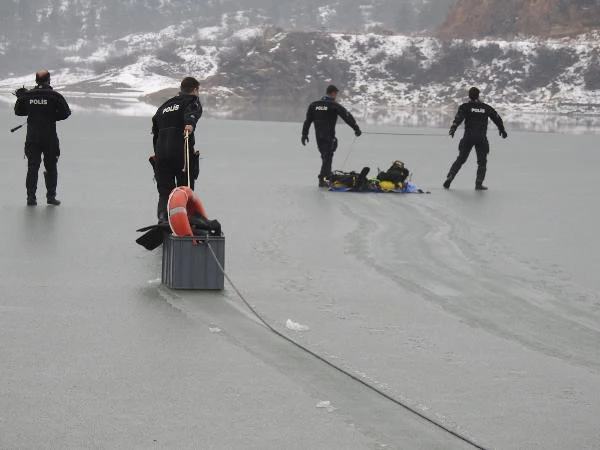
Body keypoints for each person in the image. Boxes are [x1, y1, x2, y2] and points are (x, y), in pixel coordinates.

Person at [14, 70, 71, 206]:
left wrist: (23, 100)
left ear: (36, 81)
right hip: (49, 137)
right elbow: (66, 113)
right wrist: (51, 116)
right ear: (49, 80)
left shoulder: (27, 96)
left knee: (32, 166)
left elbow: (18, 111)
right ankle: (51, 197)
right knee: (51, 166)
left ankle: (31, 198)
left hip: (32, 137)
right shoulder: (55, 96)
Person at [151, 77, 203, 222]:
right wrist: (190, 123)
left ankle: (163, 218)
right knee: (184, 188)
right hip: (180, 151)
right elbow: (192, 113)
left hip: (161, 152)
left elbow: (154, 128)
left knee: (165, 191)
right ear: (194, 90)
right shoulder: (191, 100)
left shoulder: (164, 106)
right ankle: (186, 221)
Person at [443, 87, 508, 190]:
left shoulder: (465, 107)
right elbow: (497, 118)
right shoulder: (486, 108)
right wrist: (502, 130)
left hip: (468, 137)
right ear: (478, 95)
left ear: (469, 95)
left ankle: (450, 177)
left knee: (461, 159)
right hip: (481, 138)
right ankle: (478, 183)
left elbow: (458, 118)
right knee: (482, 162)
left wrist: (453, 128)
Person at [301, 85, 362, 187]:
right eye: (336, 94)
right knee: (328, 157)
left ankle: (327, 176)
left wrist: (304, 134)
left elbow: (307, 121)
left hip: (319, 137)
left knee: (326, 156)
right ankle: (322, 179)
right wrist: (356, 128)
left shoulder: (314, 105)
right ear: (333, 93)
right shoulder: (333, 105)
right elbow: (346, 116)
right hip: (328, 136)